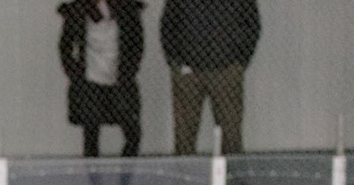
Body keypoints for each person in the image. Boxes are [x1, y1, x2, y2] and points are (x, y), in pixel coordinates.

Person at [160, 0, 259, 155]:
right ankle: (184, 172)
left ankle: (231, 172)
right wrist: (176, 62)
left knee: (231, 137)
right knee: (184, 139)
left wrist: (239, 63)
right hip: (189, 72)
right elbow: (168, 23)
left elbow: (251, 23)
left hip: (226, 70)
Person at [59, 0, 145, 159]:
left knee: (132, 132)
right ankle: (92, 173)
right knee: (91, 133)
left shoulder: (128, 10)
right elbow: (65, 46)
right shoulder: (78, 11)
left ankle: (127, 172)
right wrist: (75, 73)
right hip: (90, 81)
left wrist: (129, 71)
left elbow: (137, 45)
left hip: (120, 79)